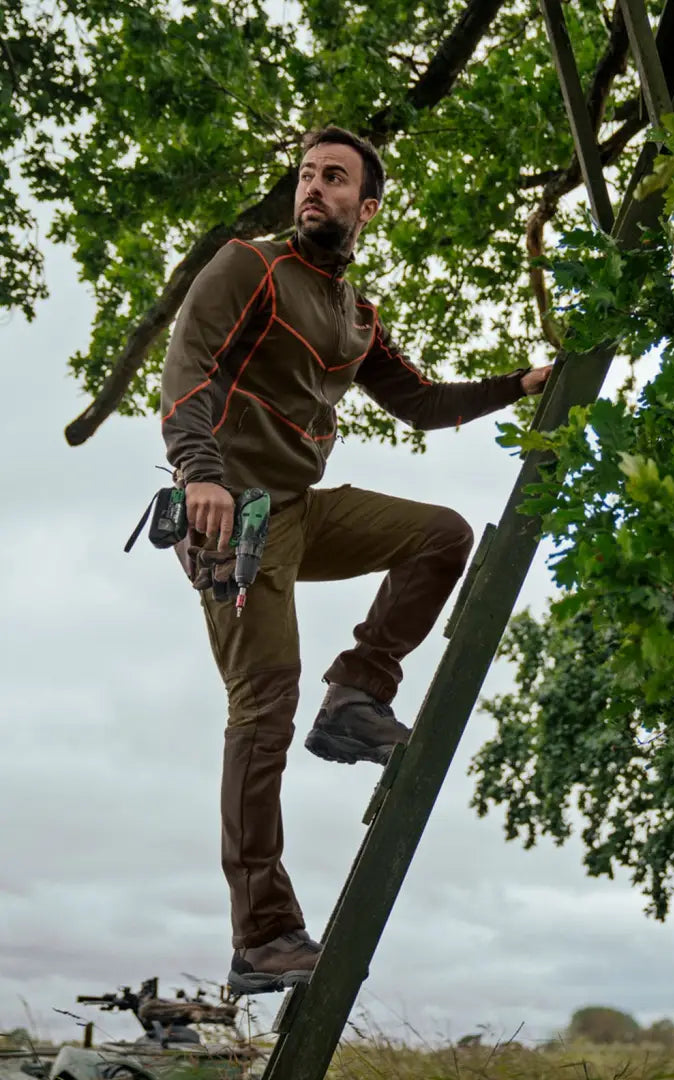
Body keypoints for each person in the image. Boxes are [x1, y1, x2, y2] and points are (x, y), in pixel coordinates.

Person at [159, 125, 552, 995]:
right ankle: (260, 934)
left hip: (302, 508)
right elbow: (188, 367)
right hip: (238, 512)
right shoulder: (246, 266)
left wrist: (517, 385)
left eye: (334, 178)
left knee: (440, 534)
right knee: (262, 702)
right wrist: (198, 473)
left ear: (366, 207)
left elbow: (414, 402)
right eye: (305, 175)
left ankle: (358, 695)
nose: (313, 188)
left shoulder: (355, 315)